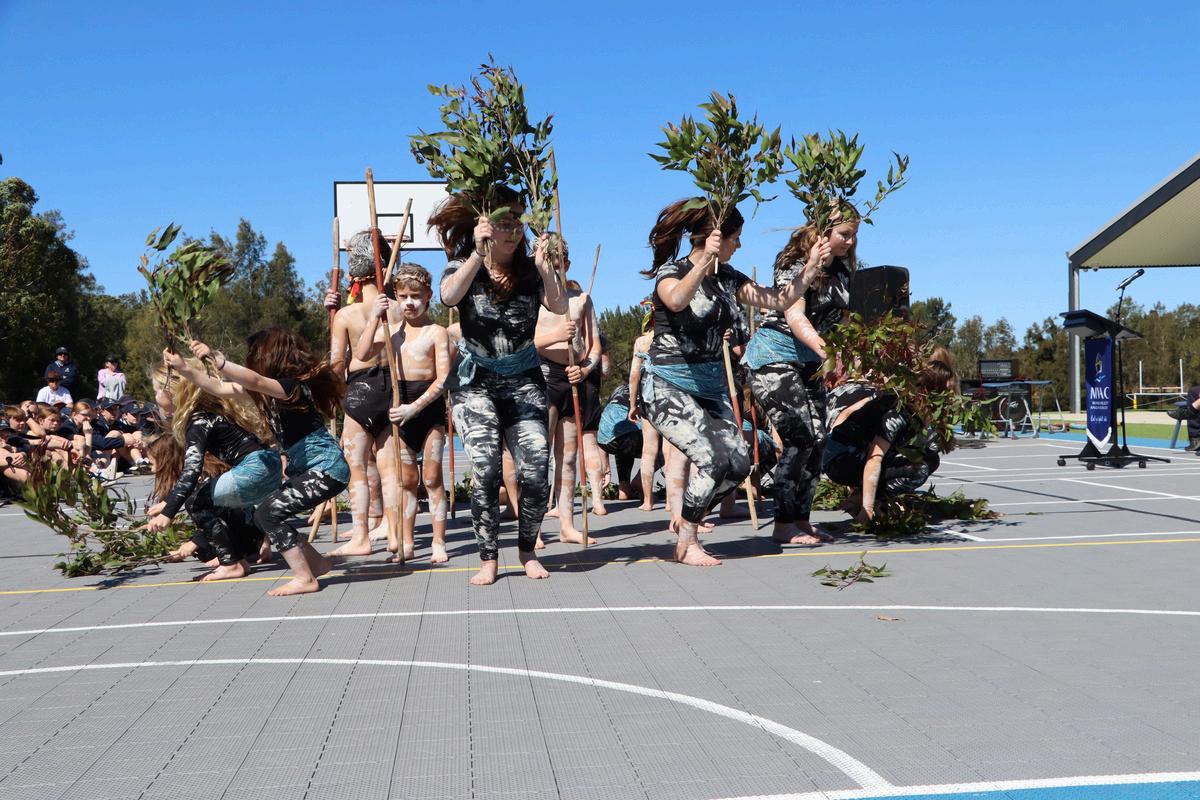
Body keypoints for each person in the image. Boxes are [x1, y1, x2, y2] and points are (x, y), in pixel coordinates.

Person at [639, 198, 818, 566]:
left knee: (738, 464)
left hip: (709, 388)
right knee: (714, 459)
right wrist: (705, 259)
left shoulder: (730, 278)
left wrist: (812, 265)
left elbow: (779, 299)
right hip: (668, 384)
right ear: (714, 237)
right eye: (736, 237)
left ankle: (689, 515)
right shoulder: (672, 271)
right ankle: (687, 542)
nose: (739, 244)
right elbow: (676, 301)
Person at [433, 186, 569, 585]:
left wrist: (545, 267)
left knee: (537, 469)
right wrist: (477, 254)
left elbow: (560, 306)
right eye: (504, 222)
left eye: (518, 223)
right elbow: (447, 297)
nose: (513, 230)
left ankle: (527, 550)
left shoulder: (530, 269)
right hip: (476, 382)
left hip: (524, 380)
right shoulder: (463, 264)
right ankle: (488, 557)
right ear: (485, 225)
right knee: (487, 467)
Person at [170, 328, 348, 597]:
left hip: (327, 468)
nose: (250, 359)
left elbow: (254, 380)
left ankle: (305, 578)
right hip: (315, 470)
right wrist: (184, 369)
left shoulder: (291, 388)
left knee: (268, 514)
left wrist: (218, 359)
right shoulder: (267, 392)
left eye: (253, 355)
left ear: (268, 357)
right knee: (265, 514)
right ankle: (318, 564)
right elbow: (218, 387)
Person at [744, 214, 857, 545]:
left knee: (818, 440)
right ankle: (783, 523)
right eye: (844, 234)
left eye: (854, 235)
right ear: (824, 232)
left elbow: (846, 319)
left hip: (809, 362)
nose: (850, 242)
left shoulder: (843, 270)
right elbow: (795, 316)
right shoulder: (793, 262)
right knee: (800, 437)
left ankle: (801, 519)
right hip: (774, 357)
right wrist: (827, 351)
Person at [145, 360, 281, 581]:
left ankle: (231, 563)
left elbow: (191, 472)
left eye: (156, 390)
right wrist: (168, 503)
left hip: (255, 469)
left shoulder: (198, 422)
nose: (155, 397)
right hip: (268, 466)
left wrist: (167, 514)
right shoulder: (209, 413)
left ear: (172, 391)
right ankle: (240, 557)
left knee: (196, 503)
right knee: (215, 500)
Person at [356, 263, 451, 563]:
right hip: (400, 410)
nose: (409, 303)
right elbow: (361, 354)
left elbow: (443, 379)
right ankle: (407, 543)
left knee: (432, 478)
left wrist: (415, 407)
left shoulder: (437, 333)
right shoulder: (391, 332)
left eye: (416, 296)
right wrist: (374, 316)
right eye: (403, 296)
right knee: (406, 480)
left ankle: (438, 541)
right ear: (395, 297)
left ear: (428, 296)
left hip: (428, 410)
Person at [823, 347, 958, 523]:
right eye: (945, 393)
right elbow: (874, 459)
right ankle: (863, 500)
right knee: (918, 469)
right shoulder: (897, 414)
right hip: (840, 461)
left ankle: (862, 497)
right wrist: (867, 509)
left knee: (929, 458)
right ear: (930, 391)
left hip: (856, 453)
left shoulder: (914, 408)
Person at [325, 231, 393, 556]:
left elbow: (337, 364)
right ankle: (394, 529)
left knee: (358, 468)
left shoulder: (347, 316)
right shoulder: (398, 308)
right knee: (390, 467)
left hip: (361, 390)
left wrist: (335, 397)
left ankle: (362, 536)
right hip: (394, 388)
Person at [534, 239, 603, 545]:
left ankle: (567, 525)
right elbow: (524, 344)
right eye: (549, 265)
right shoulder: (533, 299)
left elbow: (594, 346)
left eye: (559, 265)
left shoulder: (582, 299)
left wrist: (585, 369)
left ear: (567, 265)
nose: (554, 271)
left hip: (573, 379)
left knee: (569, 457)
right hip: (543, 378)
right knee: (538, 456)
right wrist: (555, 335)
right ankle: (533, 528)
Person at [597, 383, 642, 501]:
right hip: (631, 438)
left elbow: (603, 427)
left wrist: (606, 468)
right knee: (666, 445)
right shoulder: (649, 387)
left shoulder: (619, 389)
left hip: (605, 441)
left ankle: (624, 489)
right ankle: (640, 479)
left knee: (622, 441)